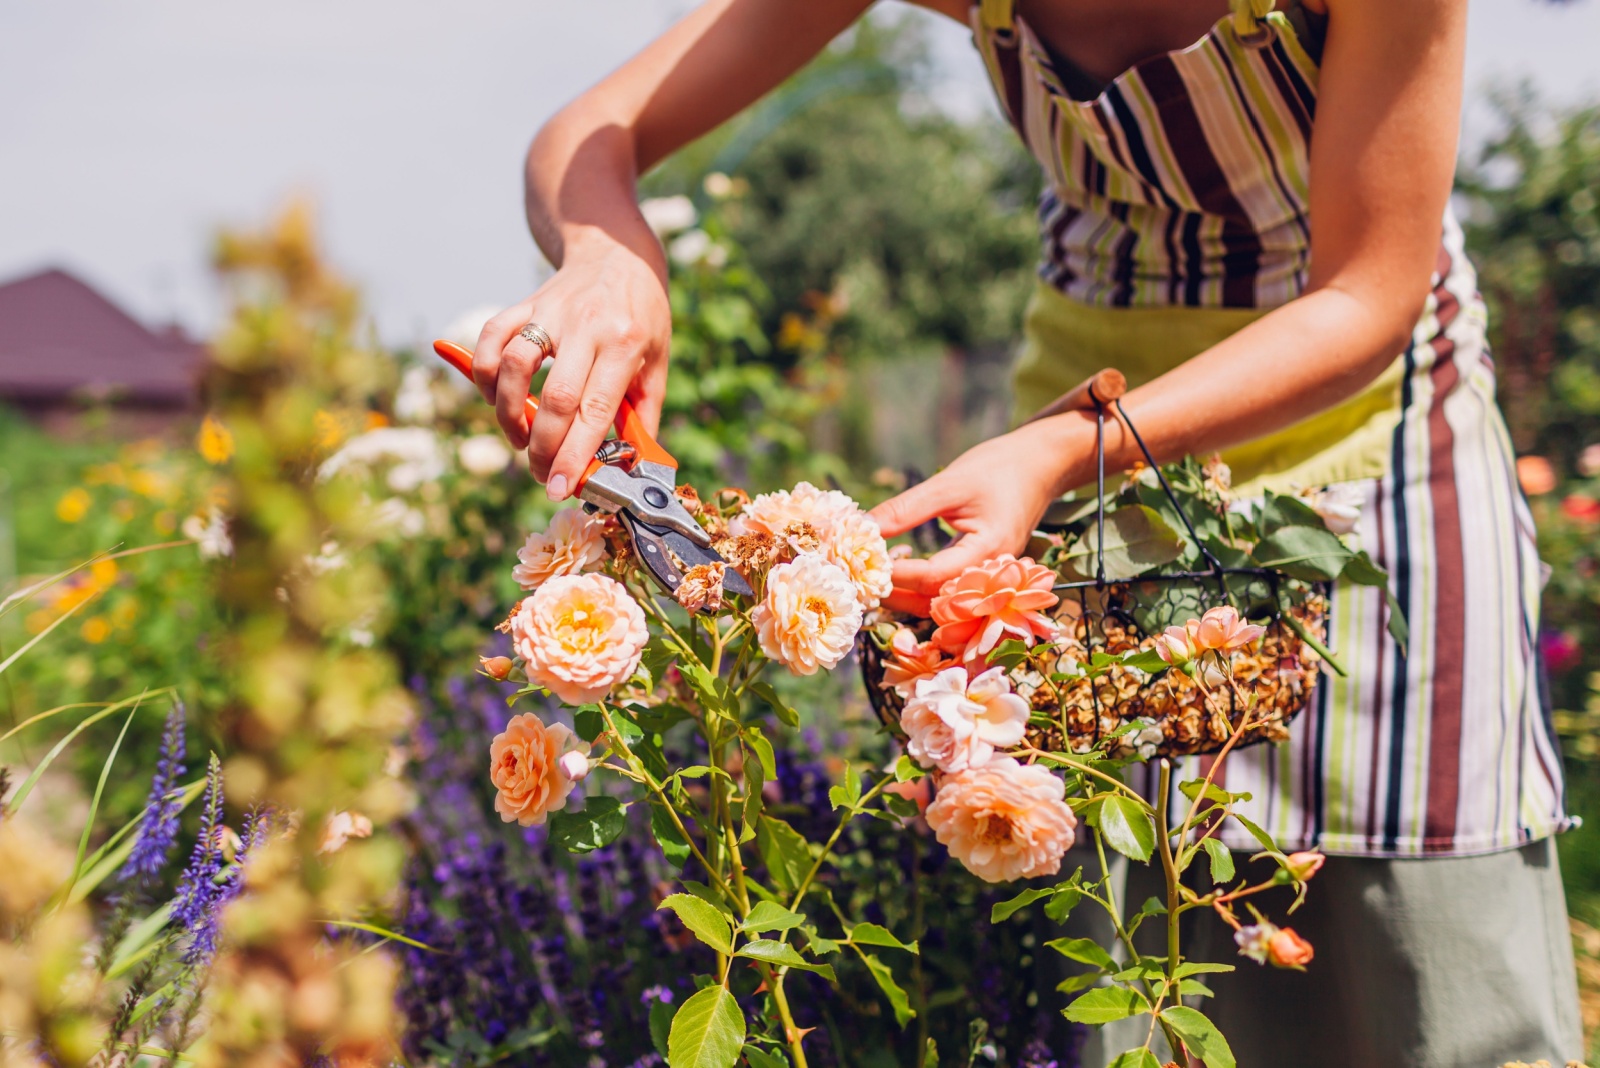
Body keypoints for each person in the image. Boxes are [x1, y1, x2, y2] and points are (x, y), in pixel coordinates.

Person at [468, 0, 1581, 1062]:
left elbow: (1367, 296)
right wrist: (607, 251)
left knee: (1436, 950)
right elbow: (584, 136)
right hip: (1090, 505)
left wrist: (1064, 443)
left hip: (1368, 452)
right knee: (1133, 941)